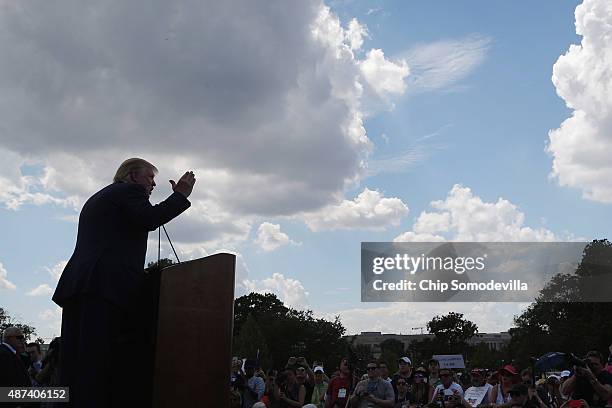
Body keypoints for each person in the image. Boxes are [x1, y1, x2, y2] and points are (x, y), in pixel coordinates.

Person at [52, 158, 196, 408]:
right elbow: (148, 218)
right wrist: (180, 196)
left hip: (84, 286)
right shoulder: (127, 191)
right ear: (131, 176)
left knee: (77, 363)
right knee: (97, 364)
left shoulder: (103, 196)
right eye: (149, 177)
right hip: (104, 288)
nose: (153, 184)